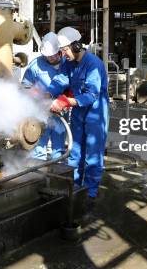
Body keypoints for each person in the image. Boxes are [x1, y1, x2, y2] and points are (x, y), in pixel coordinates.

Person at [49, 27, 109, 202]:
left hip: (95, 113)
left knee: (92, 154)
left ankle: (90, 192)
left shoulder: (94, 64)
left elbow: (91, 95)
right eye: (62, 50)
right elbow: (61, 80)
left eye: (65, 49)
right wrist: (46, 93)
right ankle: (74, 187)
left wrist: (66, 102)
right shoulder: (68, 63)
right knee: (75, 152)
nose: (64, 54)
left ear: (76, 46)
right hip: (78, 112)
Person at [21, 32, 66, 160]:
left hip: (60, 107)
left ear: (59, 51)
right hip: (40, 109)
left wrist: (63, 101)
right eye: (47, 56)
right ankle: (38, 168)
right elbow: (26, 86)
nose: (51, 58)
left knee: (59, 140)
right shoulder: (35, 65)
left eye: (53, 55)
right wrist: (36, 96)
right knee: (39, 139)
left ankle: (58, 165)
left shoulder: (67, 64)